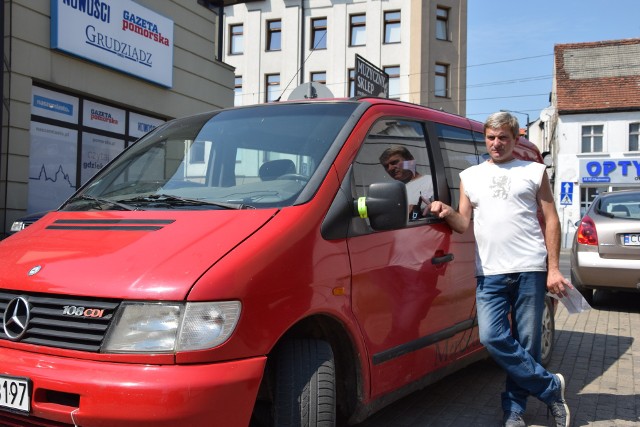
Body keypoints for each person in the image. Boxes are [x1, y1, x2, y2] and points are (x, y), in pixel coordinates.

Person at [429, 112, 571, 427]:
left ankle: (515, 410)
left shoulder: (534, 171)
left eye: (503, 138)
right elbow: (464, 224)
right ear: (485, 139)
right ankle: (550, 388)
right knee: (493, 338)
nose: (497, 144)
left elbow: (551, 219)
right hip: (489, 272)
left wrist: (554, 268)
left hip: (530, 269)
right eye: (491, 138)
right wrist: (447, 210)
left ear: (516, 138)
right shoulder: (470, 176)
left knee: (527, 344)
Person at [379, 145, 433, 220]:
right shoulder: (390, 192)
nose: (390, 168)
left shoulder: (430, 182)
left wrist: (416, 210)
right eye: (386, 166)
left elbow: (441, 211)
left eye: (394, 162)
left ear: (410, 160)